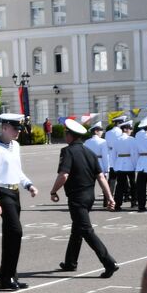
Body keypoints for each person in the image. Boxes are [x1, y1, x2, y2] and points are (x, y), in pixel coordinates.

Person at [50, 118, 118, 277]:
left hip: (77, 198)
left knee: (86, 230)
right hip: (89, 197)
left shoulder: (67, 151)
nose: (65, 136)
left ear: (70, 135)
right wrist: (109, 197)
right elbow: (101, 177)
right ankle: (70, 262)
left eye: (66, 133)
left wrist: (54, 191)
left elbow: (64, 175)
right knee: (77, 229)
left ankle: (109, 262)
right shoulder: (90, 153)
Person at [0, 113, 38, 289]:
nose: (17, 133)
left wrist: (28, 185)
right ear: (5, 127)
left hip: (14, 191)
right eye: (15, 129)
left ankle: (9, 275)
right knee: (16, 232)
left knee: (11, 235)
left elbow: (18, 170)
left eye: (19, 129)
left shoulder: (15, 145)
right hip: (1, 191)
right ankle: (6, 275)